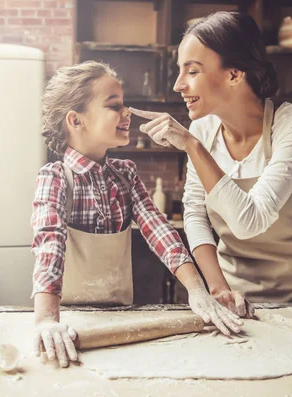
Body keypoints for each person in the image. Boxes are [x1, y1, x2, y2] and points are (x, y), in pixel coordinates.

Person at [30, 61, 243, 368]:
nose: (127, 113)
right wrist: (47, 321)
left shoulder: (125, 175)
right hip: (69, 323)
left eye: (124, 104)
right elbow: (49, 244)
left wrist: (198, 291)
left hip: (119, 319)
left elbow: (160, 231)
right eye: (114, 106)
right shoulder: (56, 177)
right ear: (76, 120)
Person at [130, 11, 292, 315]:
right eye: (179, 71)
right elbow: (194, 214)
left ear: (234, 75)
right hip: (231, 299)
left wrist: (192, 147)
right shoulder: (203, 130)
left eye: (192, 71)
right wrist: (218, 288)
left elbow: (251, 221)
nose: (178, 85)